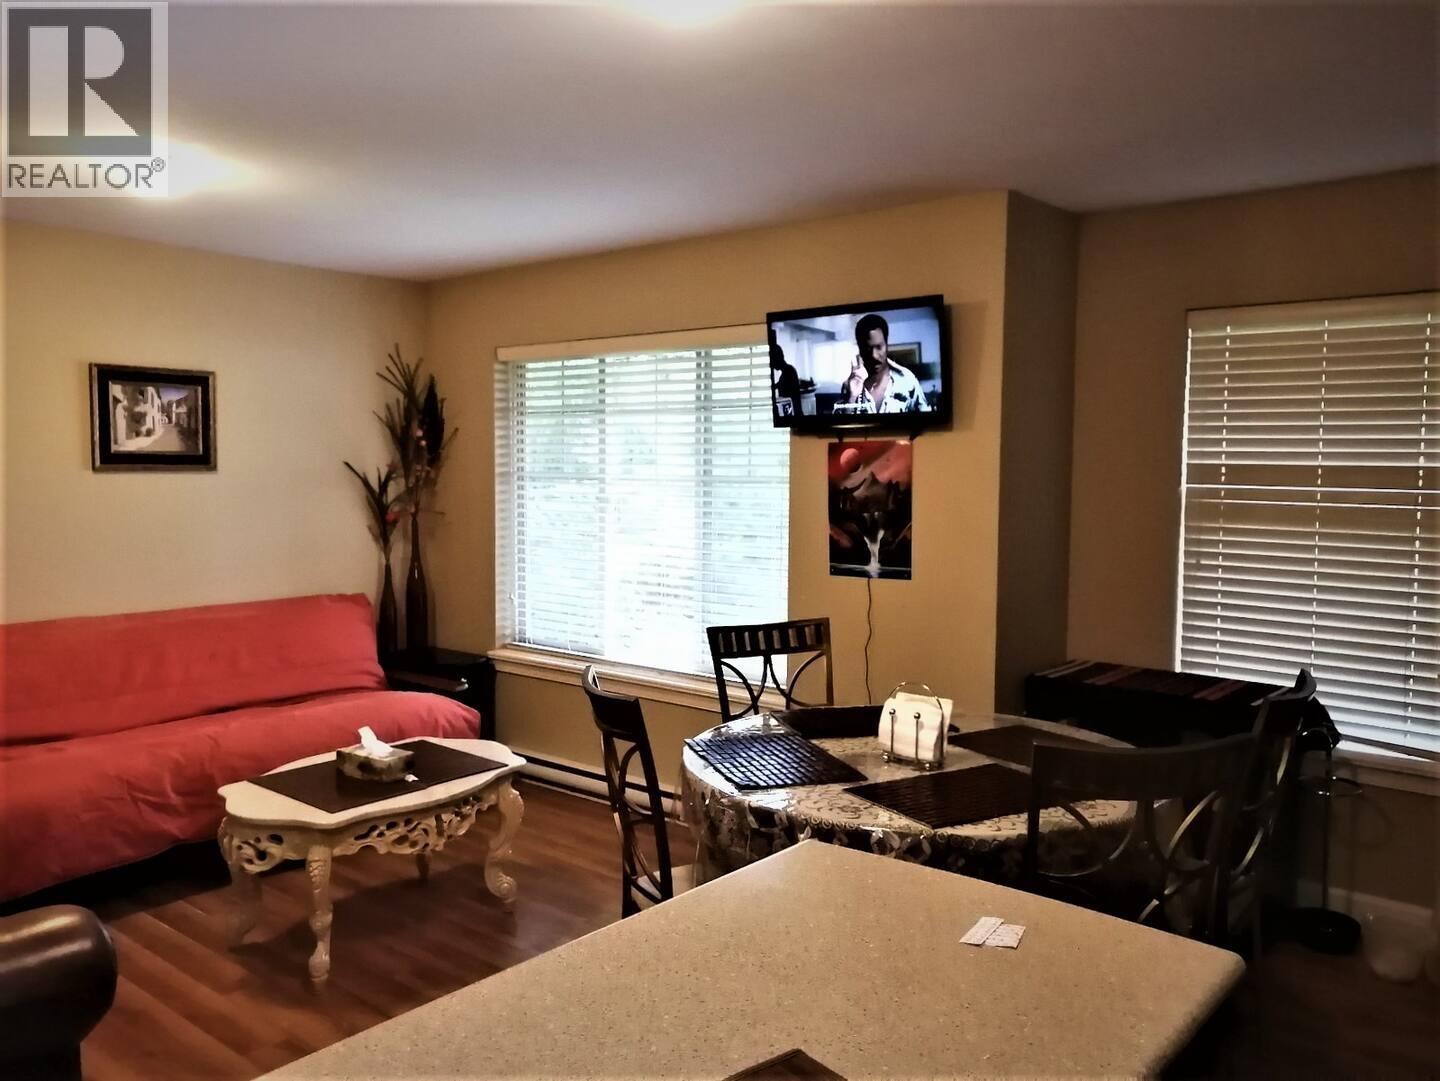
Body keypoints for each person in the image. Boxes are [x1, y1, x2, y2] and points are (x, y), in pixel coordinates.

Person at [836, 313, 930, 414]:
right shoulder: (849, 386)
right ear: (860, 348)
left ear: (886, 344)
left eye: (879, 347)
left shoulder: (907, 380)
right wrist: (851, 398)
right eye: (867, 349)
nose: (874, 355)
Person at [769, 330, 803, 417]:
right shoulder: (787, 371)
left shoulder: (789, 371)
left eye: (772, 362)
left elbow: (787, 393)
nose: (772, 366)